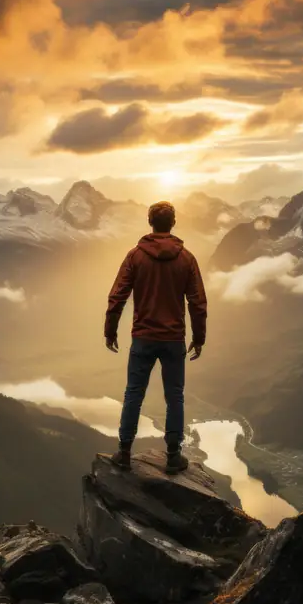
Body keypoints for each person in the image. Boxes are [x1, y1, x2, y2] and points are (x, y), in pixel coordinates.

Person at [104, 200, 207, 474]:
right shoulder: (187, 259)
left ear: (150, 222)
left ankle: (124, 453)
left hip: (143, 337)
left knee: (133, 394)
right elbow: (197, 302)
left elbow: (117, 296)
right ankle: (174, 456)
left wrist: (110, 329)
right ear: (173, 223)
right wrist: (199, 337)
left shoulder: (135, 256)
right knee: (175, 396)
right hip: (174, 339)